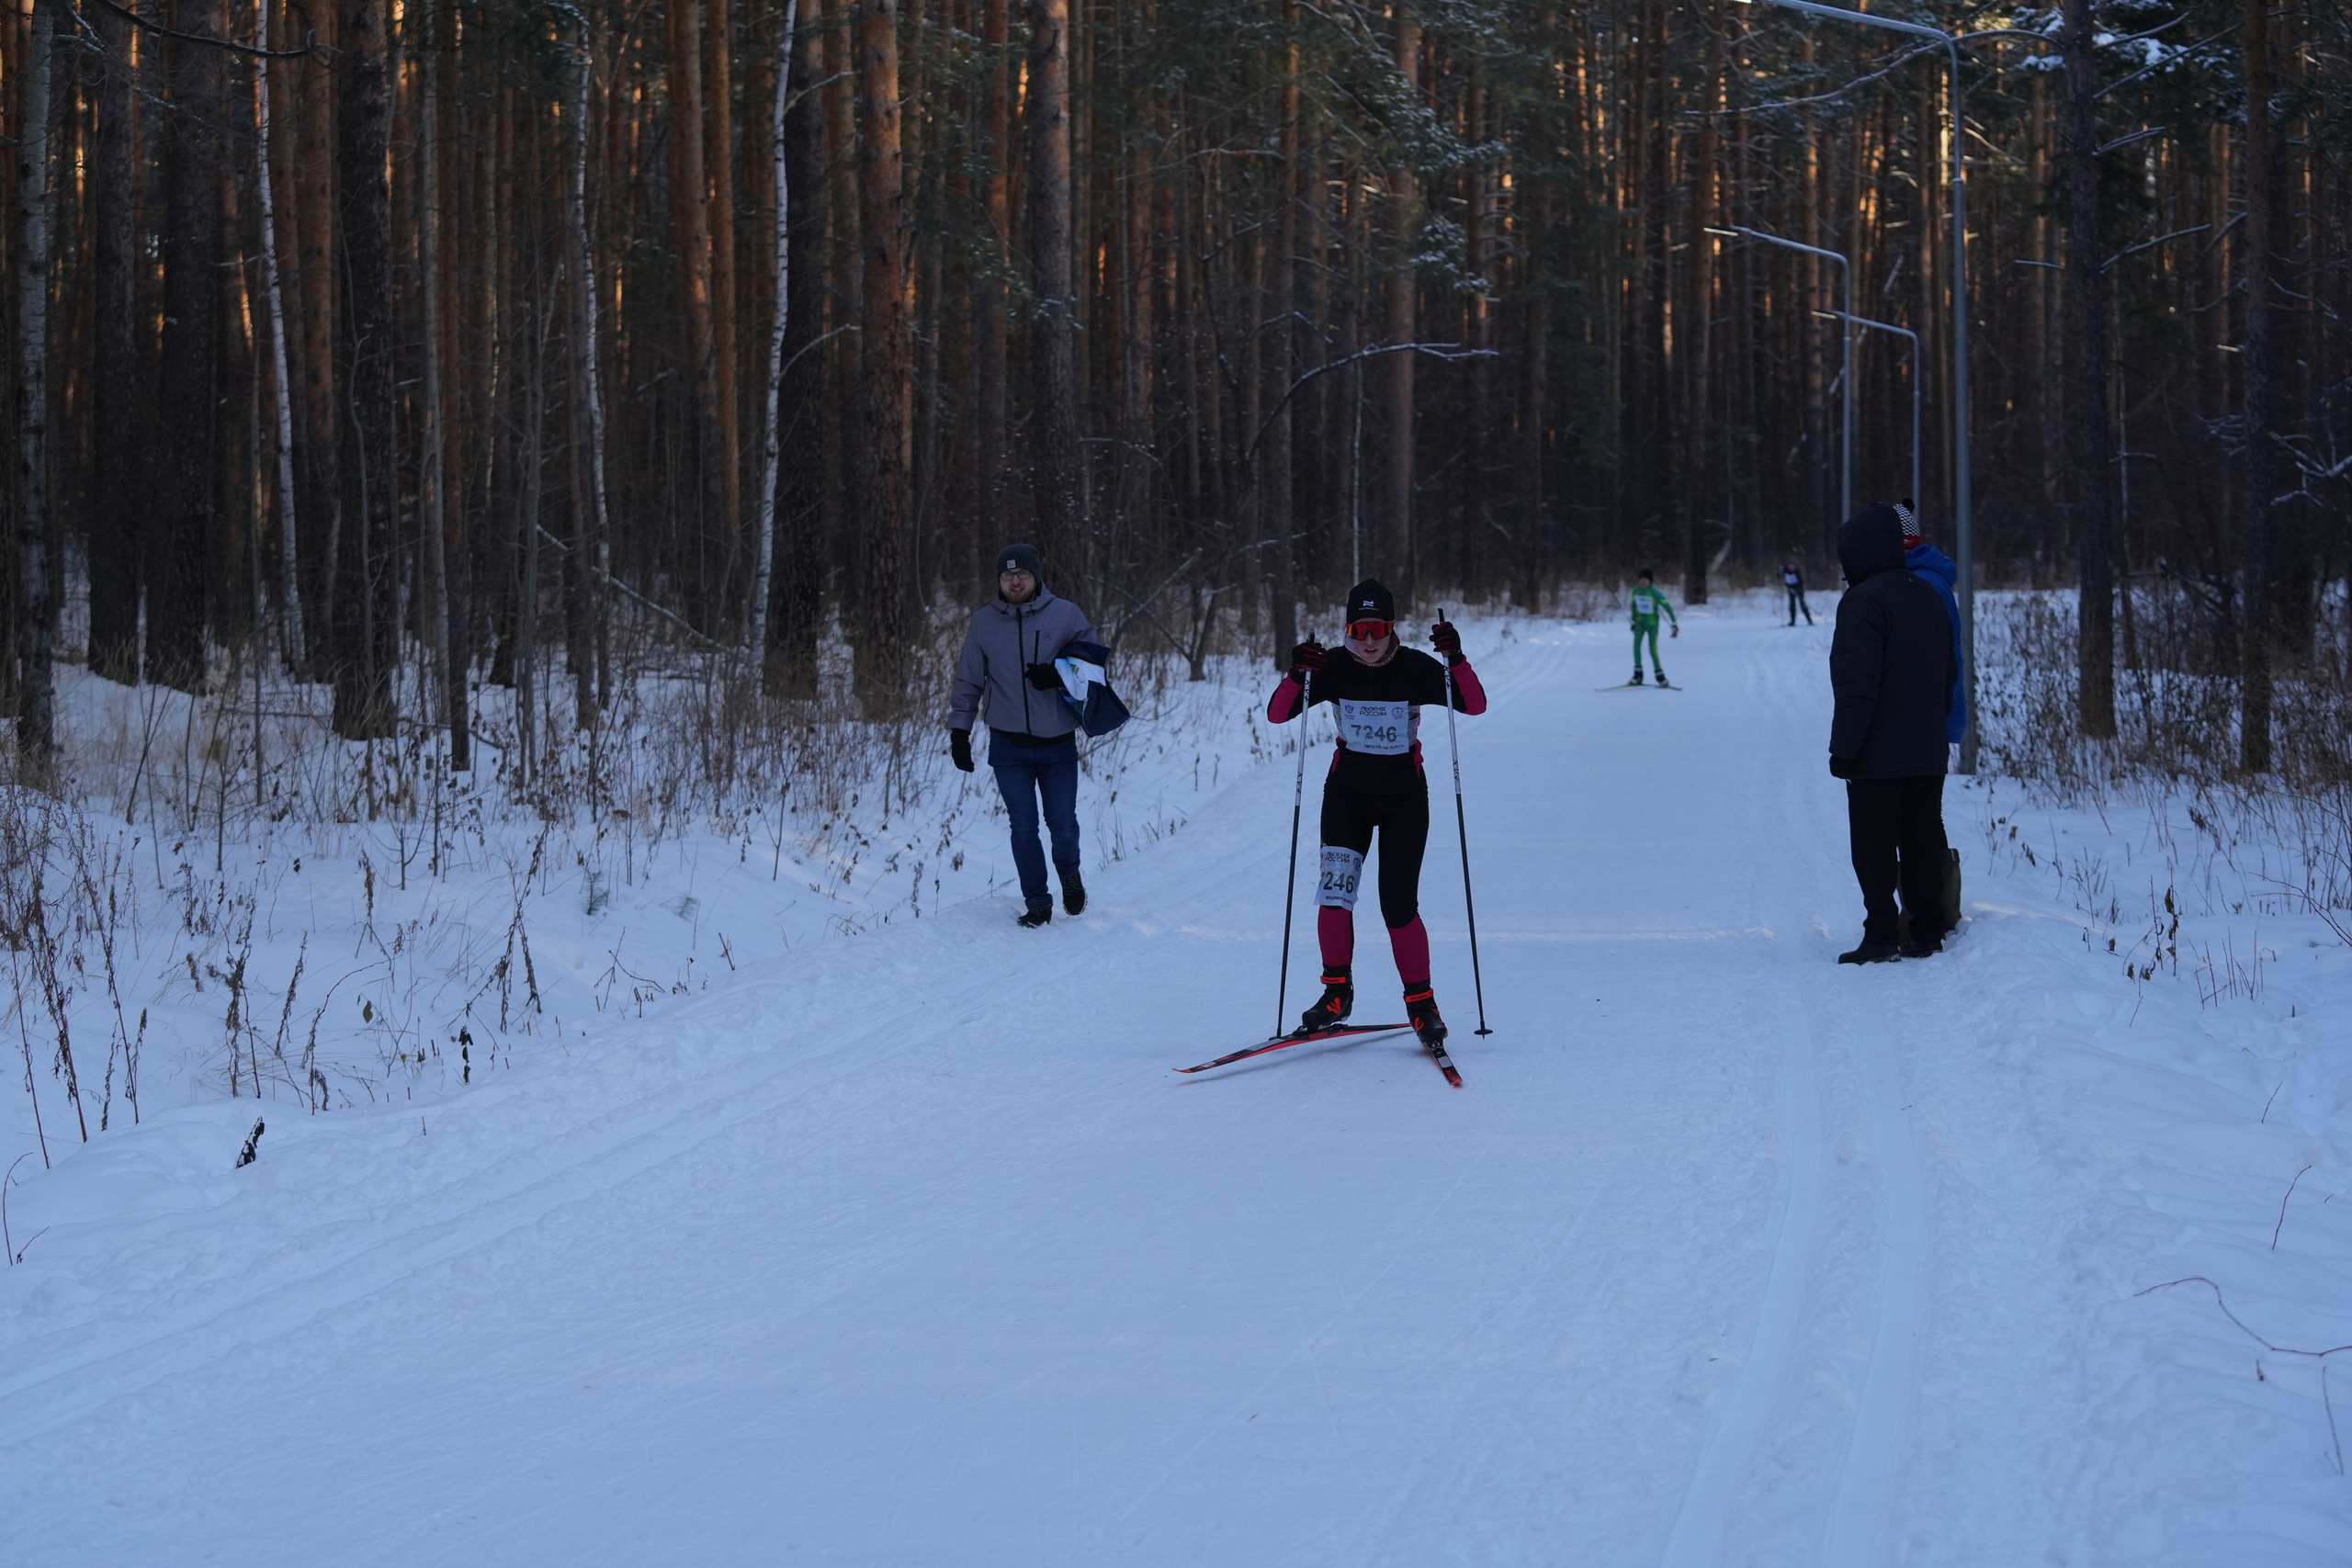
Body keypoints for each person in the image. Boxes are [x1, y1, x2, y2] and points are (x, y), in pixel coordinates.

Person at [1266, 581, 1487, 1054]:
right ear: (1348, 628)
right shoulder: (1330, 666)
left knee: (1398, 904)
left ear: (1392, 628)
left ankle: (1422, 1003)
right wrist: (1295, 673)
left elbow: (1474, 704)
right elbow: (1278, 714)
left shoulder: (1415, 667)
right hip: (1346, 796)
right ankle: (1336, 993)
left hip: (1405, 799)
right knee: (1335, 895)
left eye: (1378, 630)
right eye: (1360, 630)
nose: (1368, 641)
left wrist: (1456, 659)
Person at [1828, 503, 1959, 964]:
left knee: (1873, 845)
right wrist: (1933, 728)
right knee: (1921, 839)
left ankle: (1881, 934)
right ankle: (1926, 931)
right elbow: (1949, 674)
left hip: (1876, 754)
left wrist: (1844, 750)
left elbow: (1856, 686)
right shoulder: (1926, 594)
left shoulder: (1862, 602)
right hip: (1927, 749)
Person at [947, 544, 1099, 928]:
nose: (1015, 581)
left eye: (1022, 574)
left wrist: (1060, 674)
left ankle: (1069, 874)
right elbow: (968, 679)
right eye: (1007, 575)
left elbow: (1093, 663)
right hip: (1008, 742)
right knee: (1023, 825)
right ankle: (1037, 900)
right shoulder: (983, 623)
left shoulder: (1066, 614)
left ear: (1036, 577)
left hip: (1057, 741)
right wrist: (959, 732)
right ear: (999, 580)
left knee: (1062, 822)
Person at [1896, 500, 1968, 750]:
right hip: (1925, 719)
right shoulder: (1922, 578)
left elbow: (1933, 660)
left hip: (1921, 723)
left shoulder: (1919, 584)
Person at [1629, 569, 1678, 685]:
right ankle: (1638, 675)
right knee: (1636, 648)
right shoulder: (1636, 591)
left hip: (1652, 625)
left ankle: (1660, 676)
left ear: (1650, 581)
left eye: (1646, 579)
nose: (1643, 581)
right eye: (1641, 579)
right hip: (1640, 623)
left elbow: (1667, 606)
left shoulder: (1654, 592)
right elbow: (1634, 606)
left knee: (1652, 649)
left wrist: (1673, 622)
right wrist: (1633, 621)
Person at [1782, 556, 1814, 626]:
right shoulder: (1785, 570)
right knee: (1792, 605)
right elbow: (1780, 576)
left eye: (1793, 566)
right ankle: (1792, 621)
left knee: (1802, 605)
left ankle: (1809, 620)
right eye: (1790, 565)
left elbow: (1800, 582)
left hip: (1799, 589)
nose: (1791, 567)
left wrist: (1798, 589)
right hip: (1790, 589)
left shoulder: (1797, 572)